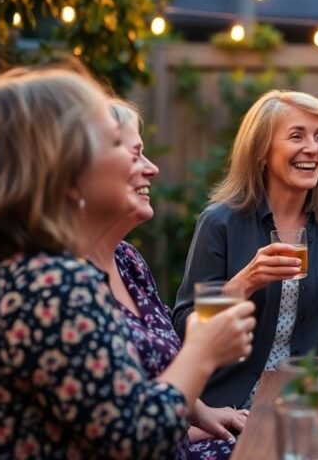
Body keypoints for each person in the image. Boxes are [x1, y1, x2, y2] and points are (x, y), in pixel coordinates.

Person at [0, 65, 255, 458]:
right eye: (117, 143)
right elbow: (134, 438)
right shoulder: (49, 283)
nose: (143, 164)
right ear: (64, 171)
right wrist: (202, 351)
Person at [172, 89, 318, 409]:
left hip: (310, 397)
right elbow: (184, 326)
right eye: (297, 136)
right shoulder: (220, 222)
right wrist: (245, 282)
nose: (312, 149)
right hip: (228, 406)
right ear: (261, 150)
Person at [84, 99, 246, 460]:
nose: (153, 168)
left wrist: (202, 414)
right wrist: (204, 351)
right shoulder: (59, 284)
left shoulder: (127, 259)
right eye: (135, 153)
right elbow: (123, 433)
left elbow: (160, 362)